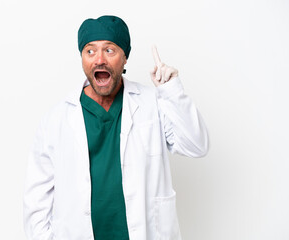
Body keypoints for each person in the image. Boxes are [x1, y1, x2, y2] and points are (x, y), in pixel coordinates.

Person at [23, 15, 209, 240]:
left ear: (125, 57)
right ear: (82, 58)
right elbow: (36, 204)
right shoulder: (56, 120)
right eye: (90, 51)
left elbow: (197, 145)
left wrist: (171, 91)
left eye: (109, 50)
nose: (99, 59)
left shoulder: (152, 102)